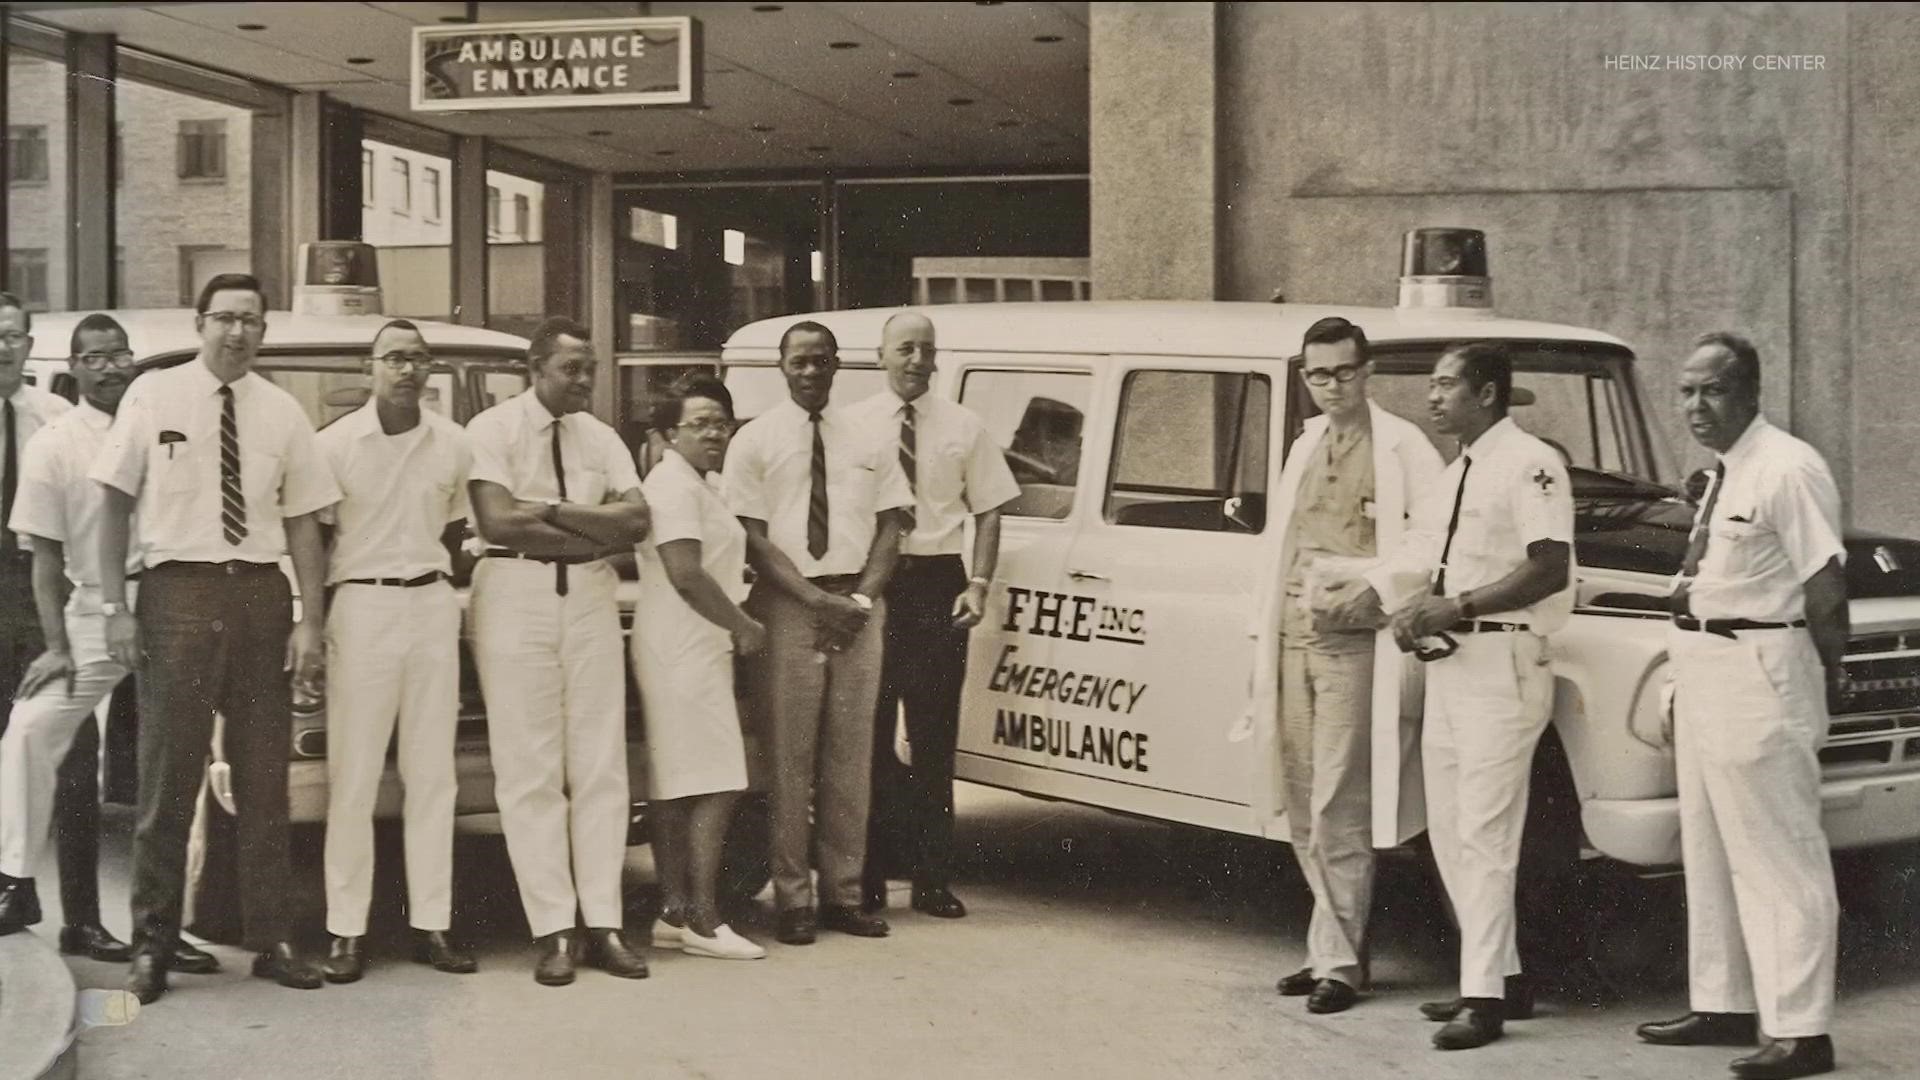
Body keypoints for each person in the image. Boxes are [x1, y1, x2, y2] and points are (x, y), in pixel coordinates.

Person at [92, 274, 341, 1003]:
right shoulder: (153, 397)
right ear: (200, 323)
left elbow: (302, 521)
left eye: (251, 321)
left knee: (266, 781)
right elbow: (112, 506)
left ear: (265, 331)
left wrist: (311, 619)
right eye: (225, 319)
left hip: (260, 594)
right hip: (177, 593)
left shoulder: (283, 412)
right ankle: (153, 944)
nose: (238, 332)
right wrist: (115, 606)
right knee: (169, 779)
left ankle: (274, 940)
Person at [1633, 333, 1845, 1080]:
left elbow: (1825, 588)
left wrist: (1827, 674)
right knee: (1712, 848)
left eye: (1712, 390)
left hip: (1762, 668)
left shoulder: (1788, 468)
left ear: (1750, 392)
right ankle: (1723, 1002)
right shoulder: (1727, 473)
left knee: (1780, 857)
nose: (1696, 405)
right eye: (1687, 391)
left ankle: (1802, 1030)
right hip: (1706, 668)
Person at [1, 313, 221, 973]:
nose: (110, 366)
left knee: (176, 762)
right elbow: (43, 557)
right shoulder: (55, 442)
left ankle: (163, 927)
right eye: (93, 357)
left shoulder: (164, 421)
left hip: (174, 598)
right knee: (30, 730)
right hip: (96, 610)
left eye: (119, 353)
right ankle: (14, 879)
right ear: (75, 366)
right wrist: (57, 647)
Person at [1382, 342, 1573, 1050]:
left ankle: (1482, 999)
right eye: (1431, 386)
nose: (1433, 398)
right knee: (1452, 828)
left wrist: (1454, 607)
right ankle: (1503, 976)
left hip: (1504, 662)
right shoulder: (1455, 471)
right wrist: (1411, 611)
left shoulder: (1531, 463)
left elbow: (1548, 567)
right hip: (1453, 666)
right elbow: (1428, 561)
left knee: (1487, 834)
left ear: (1488, 394)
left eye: (1446, 385)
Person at [466, 316, 651, 986]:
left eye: (592, 368)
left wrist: (548, 510)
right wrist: (588, 526)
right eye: (573, 368)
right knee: (530, 767)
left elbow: (637, 521)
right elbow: (496, 521)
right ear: (536, 367)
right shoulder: (492, 430)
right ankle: (555, 929)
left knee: (601, 762)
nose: (585, 380)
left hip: (592, 599)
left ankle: (605, 922)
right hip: (515, 593)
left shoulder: (601, 438)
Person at [1267, 316, 1444, 1013]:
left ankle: (1342, 963)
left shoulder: (1404, 447)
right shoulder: (1305, 444)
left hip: (1353, 639)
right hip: (1291, 631)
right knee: (1301, 791)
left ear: (1367, 373)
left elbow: (1430, 542)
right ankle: (1328, 948)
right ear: (1305, 378)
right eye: (1318, 374)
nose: (1332, 385)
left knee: (1340, 796)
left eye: (1344, 371)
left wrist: (1374, 584)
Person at [725, 320, 912, 946]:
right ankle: (793, 899)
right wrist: (811, 599)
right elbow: (752, 533)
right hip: (788, 604)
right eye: (800, 361)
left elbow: (893, 525)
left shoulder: (870, 436)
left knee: (850, 757)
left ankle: (843, 895)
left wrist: (859, 598)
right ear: (782, 366)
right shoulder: (754, 439)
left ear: (838, 366)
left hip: (858, 602)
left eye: (822, 361)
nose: (811, 371)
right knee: (789, 756)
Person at [313, 320, 478, 983]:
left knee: (432, 774)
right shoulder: (333, 446)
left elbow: (462, 529)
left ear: (430, 368)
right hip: (361, 604)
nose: (406, 370)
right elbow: (318, 543)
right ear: (370, 365)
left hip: (432, 605)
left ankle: (431, 926)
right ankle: (345, 932)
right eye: (394, 358)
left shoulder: (456, 445)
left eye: (416, 359)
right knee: (352, 776)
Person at [849, 311, 1018, 921]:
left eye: (926, 349)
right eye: (905, 349)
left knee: (933, 739)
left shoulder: (964, 426)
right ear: (881, 356)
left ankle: (932, 880)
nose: (917, 359)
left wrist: (978, 583)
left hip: (940, 584)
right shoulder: (854, 425)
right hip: (877, 581)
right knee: (865, 736)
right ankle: (863, 881)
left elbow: (992, 508)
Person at [634, 373, 768, 961]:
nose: (715, 433)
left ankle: (675, 912)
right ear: (668, 434)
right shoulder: (672, 487)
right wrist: (743, 626)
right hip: (682, 644)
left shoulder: (699, 484)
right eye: (700, 424)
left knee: (679, 784)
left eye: (722, 422)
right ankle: (706, 921)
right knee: (717, 779)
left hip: (690, 644)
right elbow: (685, 572)